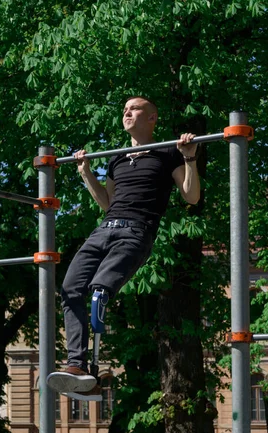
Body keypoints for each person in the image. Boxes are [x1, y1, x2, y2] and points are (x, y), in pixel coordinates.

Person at [47, 96, 200, 401]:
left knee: (99, 290)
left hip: (136, 232)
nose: (127, 113)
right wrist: (86, 174)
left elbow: (191, 196)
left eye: (134, 109)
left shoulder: (168, 151)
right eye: (124, 110)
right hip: (105, 229)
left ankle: (92, 371)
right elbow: (108, 203)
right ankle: (77, 366)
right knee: (70, 287)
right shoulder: (116, 158)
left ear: (152, 118)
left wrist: (190, 158)